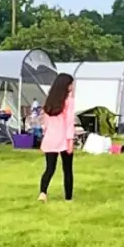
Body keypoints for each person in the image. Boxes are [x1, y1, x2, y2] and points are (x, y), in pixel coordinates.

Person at [38, 73, 77, 202]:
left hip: (50, 139)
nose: (72, 87)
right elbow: (69, 123)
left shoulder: (49, 102)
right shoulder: (69, 101)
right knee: (67, 169)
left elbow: (46, 124)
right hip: (64, 139)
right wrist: (70, 141)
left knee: (50, 168)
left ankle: (43, 192)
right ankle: (68, 198)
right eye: (71, 84)